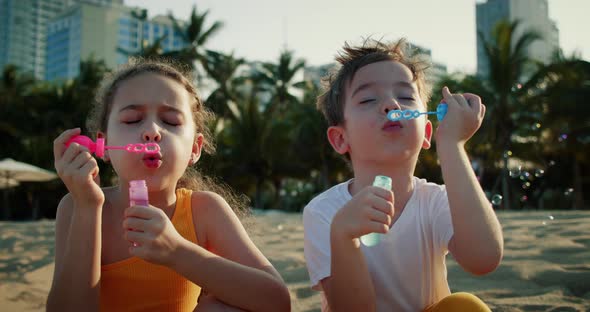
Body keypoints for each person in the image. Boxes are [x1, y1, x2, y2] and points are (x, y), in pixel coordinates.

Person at [47, 59, 291, 312]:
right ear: (104, 144)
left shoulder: (204, 210)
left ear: (195, 149)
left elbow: (277, 302)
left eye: (171, 122)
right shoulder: (76, 207)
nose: (152, 131)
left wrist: (176, 251)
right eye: (132, 120)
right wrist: (88, 208)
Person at [303, 38, 503, 311]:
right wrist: (343, 236)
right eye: (368, 99)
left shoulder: (435, 202)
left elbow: (483, 259)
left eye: (406, 97)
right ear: (340, 138)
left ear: (427, 134)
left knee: (466, 306)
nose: (391, 105)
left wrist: (453, 146)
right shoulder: (325, 211)